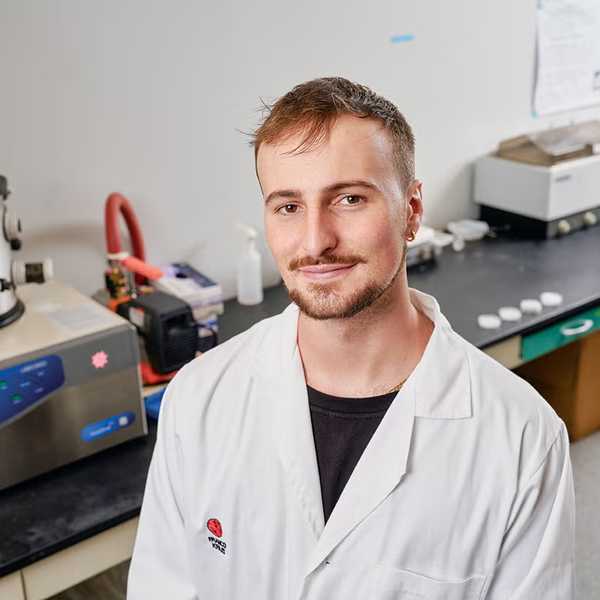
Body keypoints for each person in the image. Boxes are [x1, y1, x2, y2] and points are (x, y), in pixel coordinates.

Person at [127, 77, 575, 599]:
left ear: (411, 210)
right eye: (288, 206)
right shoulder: (200, 398)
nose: (316, 241)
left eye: (348, 198)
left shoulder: (521, 438)